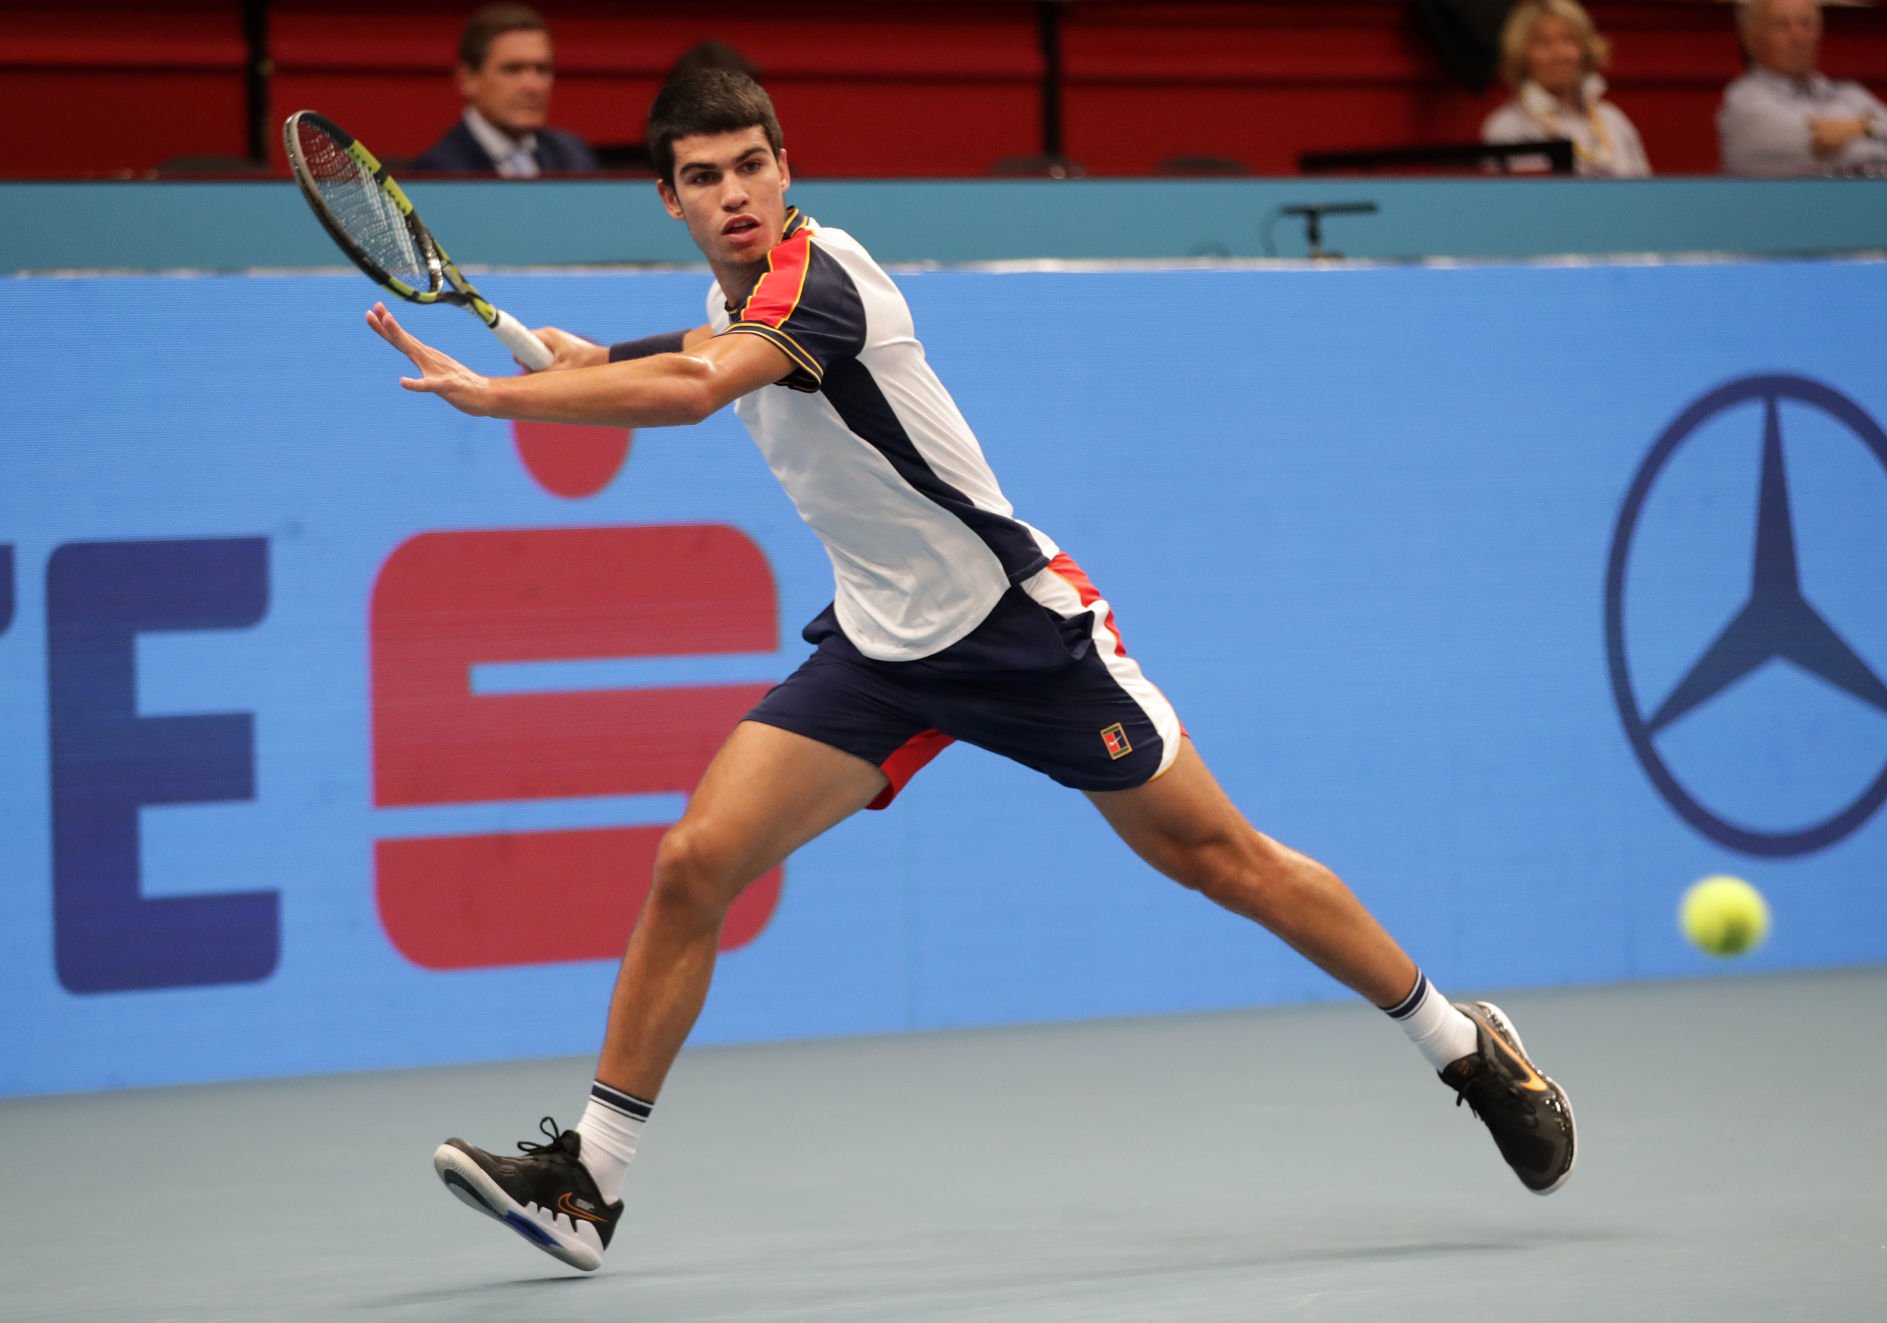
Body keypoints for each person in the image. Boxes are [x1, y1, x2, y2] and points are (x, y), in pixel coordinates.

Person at [370, 70, 1578, 1274]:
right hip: (882, 653)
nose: (733, 193)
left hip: (1015, 633)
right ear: (668, 198)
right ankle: (590, 1180)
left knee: (1225, 861)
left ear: (786, 167)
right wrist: (583, 359)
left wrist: (507, 399)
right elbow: (692, 347)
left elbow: (696, 386)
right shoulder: (731, 299)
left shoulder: (821, 277)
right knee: (694, 861)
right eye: (704, 176)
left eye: (750, 166)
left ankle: (1462, 1045)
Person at [1718, 0, 1887, 177]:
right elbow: (1848, 152)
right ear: (1751, 38)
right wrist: (1884, 138)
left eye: (1806, 24)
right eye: (1782, 25)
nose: (1798, 37)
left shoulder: (1850, 95)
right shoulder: (1744, 106)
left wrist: (1862, 127)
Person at [413, 3, 598, 176]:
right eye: (513, 70)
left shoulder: (572, 156)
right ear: (468, 79)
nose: (532, 86)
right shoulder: (439, 171)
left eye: (542, 69)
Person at [1482, 0, 1651, 177]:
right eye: (1544, 43)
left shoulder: (1613, 120)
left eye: (1568, 40)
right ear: (1521, 54)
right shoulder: (1508, 128)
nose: (1559, 54)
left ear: (1585, 49)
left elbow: (1644, 189)